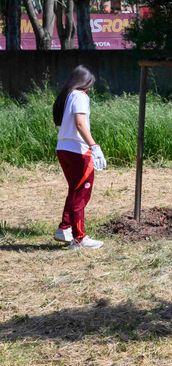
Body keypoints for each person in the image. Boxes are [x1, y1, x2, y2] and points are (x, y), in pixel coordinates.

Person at [52, 65, 107, 250]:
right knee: (81, 194)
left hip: (63, 149)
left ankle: (64, 228)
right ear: (85, 83)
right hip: (78, 151)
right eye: (90, 85)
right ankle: (79, 238)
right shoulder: (80, 96)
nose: (89, 89)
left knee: (74, 190)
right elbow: (80, 124)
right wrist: (94, 146)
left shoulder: (67, 96)